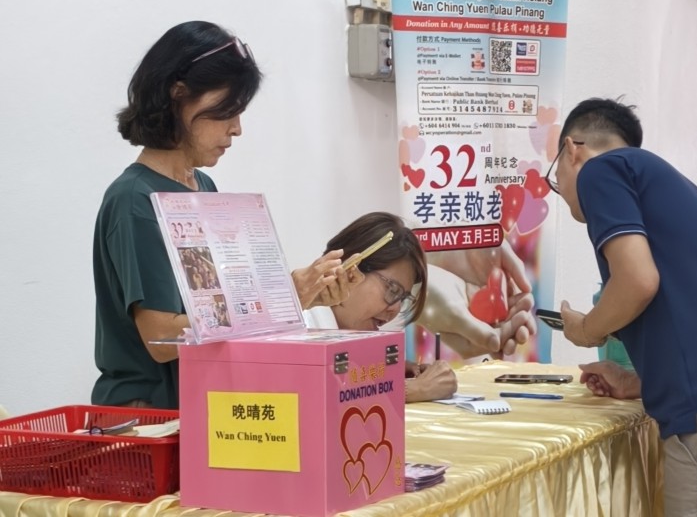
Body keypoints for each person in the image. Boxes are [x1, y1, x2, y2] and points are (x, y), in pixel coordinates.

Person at [92, 21, 358, 409]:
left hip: (207, 402)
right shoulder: (136, 199)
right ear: (177, 96)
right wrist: (283, 299)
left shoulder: (203, 187)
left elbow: (223, 311)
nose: (237, 129)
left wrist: (303, 295)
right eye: (226, 112)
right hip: (152, 417)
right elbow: (161, 337)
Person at [547, 98, 697, 515]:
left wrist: (586, 329)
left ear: (572, 149)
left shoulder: (600, 170)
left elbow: (638, 281)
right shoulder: (675, 186)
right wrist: (637, 382)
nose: (563, 189)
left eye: (556, 178)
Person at [304, 212, 458, 403]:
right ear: (350, 271)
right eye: (392, 290)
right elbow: (319, 399)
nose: (395, 309)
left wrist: (386, 371)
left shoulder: (351, 339)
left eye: (402, 298)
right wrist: (415, 389)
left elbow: (346, 384)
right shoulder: (299, 329)